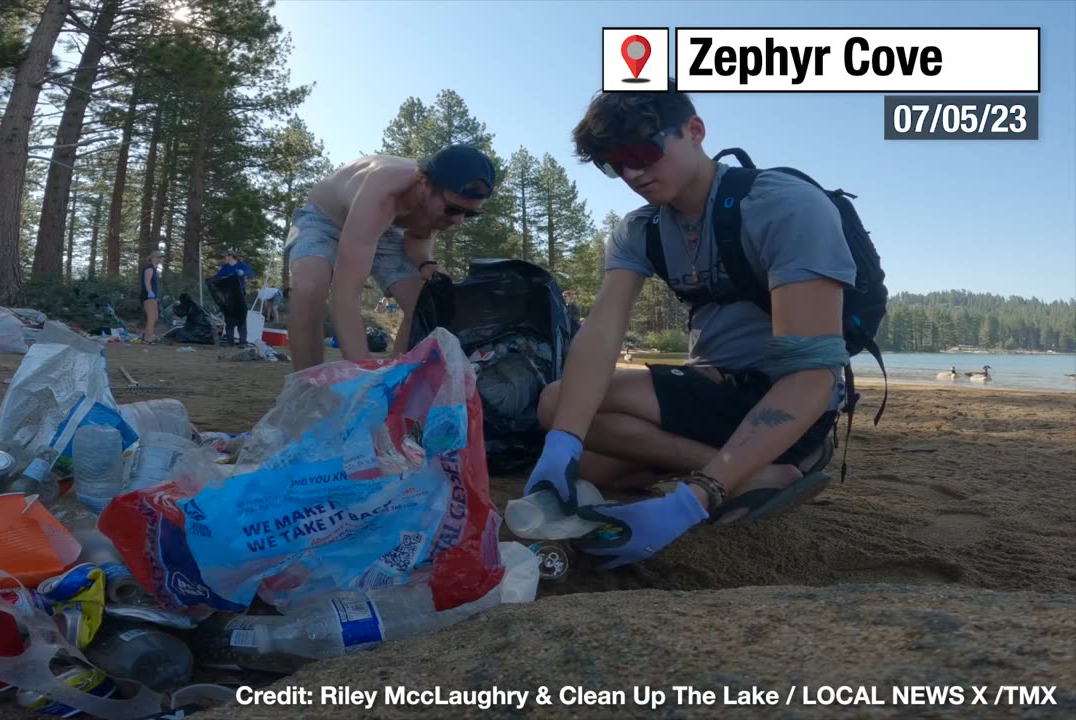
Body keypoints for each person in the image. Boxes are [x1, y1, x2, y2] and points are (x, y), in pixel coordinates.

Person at [525, 82, 855, 569]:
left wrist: (695, 498)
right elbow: (602, 331)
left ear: (695, 131)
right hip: (711, 391)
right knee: (582, 445)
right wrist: (563, 443)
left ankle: (753, 469)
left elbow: (812, 375)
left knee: (558, 403)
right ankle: (753, 472)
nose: (632, 172)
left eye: (642, 149)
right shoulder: (642, 230)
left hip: (787, 400)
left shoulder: (784, 206)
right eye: (615, 163)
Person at [285, 144, 496, 370]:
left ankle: (398, 383)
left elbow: (417, 238)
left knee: (425, 302)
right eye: (453, 209)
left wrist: (426, 263)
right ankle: (308, 390)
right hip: (325, 219)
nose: (459, 221)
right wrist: (364, 377)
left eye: (470, 214)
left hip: (386, 229)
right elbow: (346, 293)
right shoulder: (382, 192)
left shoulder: (434, 202)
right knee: (309, 286)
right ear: (424, 185)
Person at [211, 250, 255, 345]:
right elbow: (217, 277)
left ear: (231, 256)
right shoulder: (225, 268)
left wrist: (243, 272)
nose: (224, 258)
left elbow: (250, 273)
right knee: (229, 317)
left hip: (239, 295)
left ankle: (242, 342)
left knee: (241, 317)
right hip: (228, 296)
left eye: (225, 256)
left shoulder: (241, 265)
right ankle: (230, 342)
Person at [138, 249, 165, 343]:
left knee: (155, 317)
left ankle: (147, 335)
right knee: (151, 317)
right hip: (147, 295)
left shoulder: (154, 269)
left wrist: (155, 296)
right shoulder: (149, 268)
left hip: (153, 295)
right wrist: (150, 293)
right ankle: (147, 338)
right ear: (154, 258)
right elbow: (147, 282)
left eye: (162, 257)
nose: (162, 259)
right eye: (160, 257)